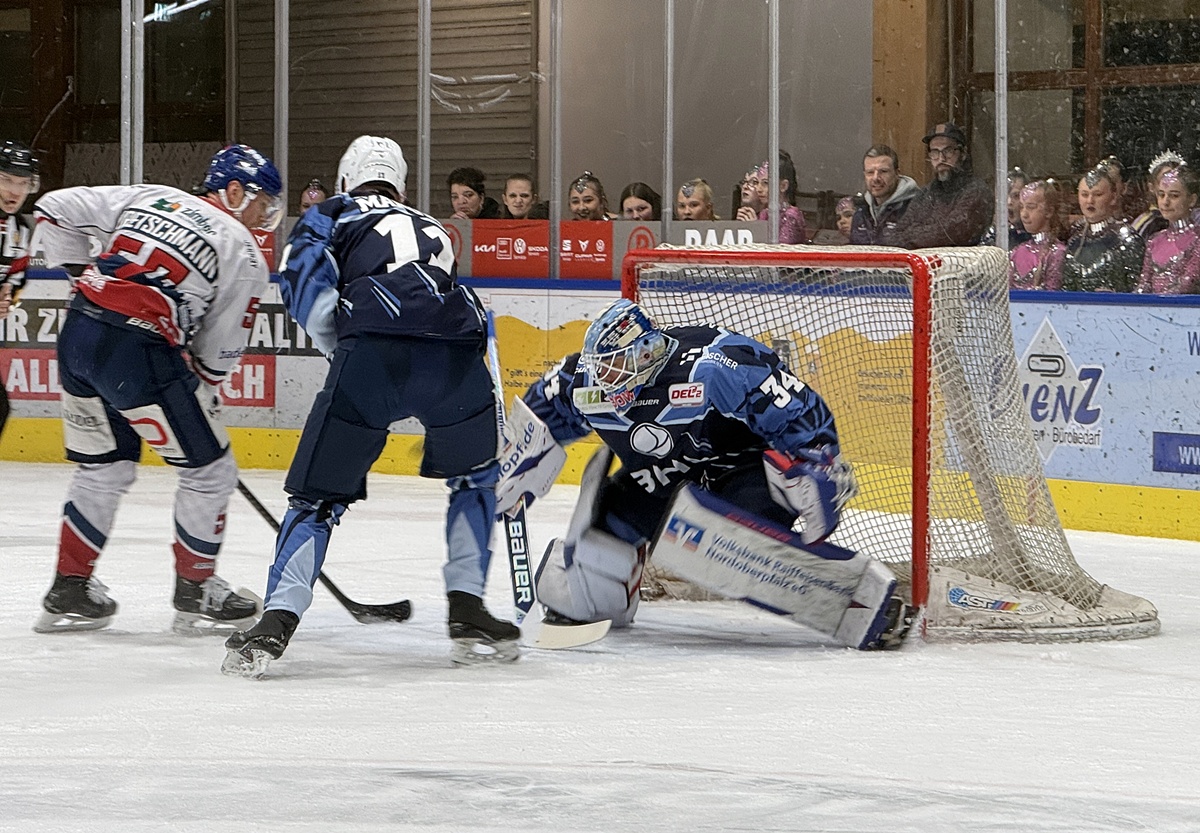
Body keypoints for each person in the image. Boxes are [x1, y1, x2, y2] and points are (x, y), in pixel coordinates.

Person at [222, 135, 517, 677]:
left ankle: (278, 619)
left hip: (374, 356)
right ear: (401, 184)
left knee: (314, 499)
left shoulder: (331, 212)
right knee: (475, 480)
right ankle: (469, 608)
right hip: (456, 358)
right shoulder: (433, 227)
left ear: (343, 179)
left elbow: (303, 282)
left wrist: (348, 348)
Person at [492, 299, 912, 651]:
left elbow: (798, 409)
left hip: (739, 472)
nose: (605, 380)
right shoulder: (581, 379)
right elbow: (538, 419)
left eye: (617, 367)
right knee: (587, 582)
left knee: (742, 538)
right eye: (601, 368)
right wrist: (516, 464)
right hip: (660, 481)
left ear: (646, 352)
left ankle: (834, 585)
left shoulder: (714, 365)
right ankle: (611, 583)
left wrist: (816, 464)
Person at [22, 143, 282, 634]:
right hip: (138, 352)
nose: (264, 217)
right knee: (210, 471)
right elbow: (219, 349)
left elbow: (52, 209)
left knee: (103, 468)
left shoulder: (152, 195)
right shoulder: (243, 249)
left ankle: (69, 588)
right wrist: (197, 384)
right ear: (232, 192)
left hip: (78, 335)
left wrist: (84, 281)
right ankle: (196, 589)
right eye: (262, 203)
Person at [881, 122, 992, 249]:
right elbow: (895, 236)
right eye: (935, 152)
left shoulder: (977, 190)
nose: (941, 159)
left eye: (948, 151)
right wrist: (926, 233)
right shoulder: (925, 194)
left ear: (963, 154)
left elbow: (952, 233)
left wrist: (915, 231)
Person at [0, 140, 41, 436]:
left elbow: (15, 277)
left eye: (23, 183)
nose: (15, 191)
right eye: (6, 180)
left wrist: (7, 295)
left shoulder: (20, 231)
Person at [1062, 164, 1143, 292]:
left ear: (1113, 197)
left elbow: (1137, 289)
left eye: (1097, 194)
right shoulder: (1073, 238)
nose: (1090, 201)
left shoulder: (1127, 239)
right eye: (1084, 194)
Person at [1136, 165, 1200, 294]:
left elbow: (1187, 285)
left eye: (1174, 196)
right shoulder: (1154, 240)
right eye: (1161, 195)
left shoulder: (1197, 239)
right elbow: (1144, 286)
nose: (1165, 202)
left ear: (1192, 200)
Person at [848, 144, 920, 245]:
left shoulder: (917, 208)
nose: (876, 178)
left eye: (883, 171)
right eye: (870, 172)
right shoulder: (860, 212)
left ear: (897, 173)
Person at [734, 151, 807, 243]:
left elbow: (779, 253)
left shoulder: (791, 216)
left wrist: (755, 228)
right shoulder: (765, 213)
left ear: (783, 186)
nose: (759, 189)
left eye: (765, 183)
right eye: (758, 183)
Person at [1008, 180, 1066, 290]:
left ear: (1049, 211)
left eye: (1031, 207)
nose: (1024, 214)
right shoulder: (1017, 251)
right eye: (1021, 207)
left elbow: (1052, 299)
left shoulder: (1056, 253)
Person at [1132, 150, 1186, 239]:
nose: (1171, 183)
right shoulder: (1149, 224)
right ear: (1151, 187)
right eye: (1165, 178)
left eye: (1177, 177)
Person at [982, 168, 1033, 249]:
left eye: (1016, 196)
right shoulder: (992, 236)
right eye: (1004, 196)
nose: (1009, 202)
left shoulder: (1035, 238)